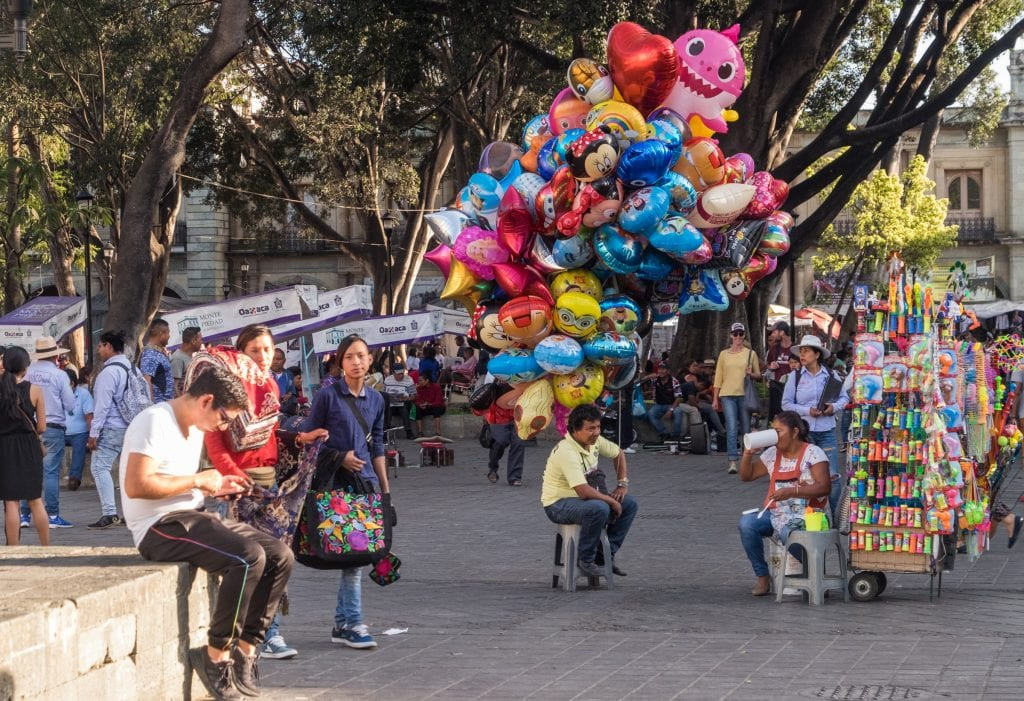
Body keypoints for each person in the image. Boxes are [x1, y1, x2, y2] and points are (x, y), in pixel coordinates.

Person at [121, 366, 292, 700]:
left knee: (280, 556)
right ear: (207, 401)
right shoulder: (153, 421)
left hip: (192, 514)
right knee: (247, 558)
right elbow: (136, 484)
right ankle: (216, 656)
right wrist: (200, 480)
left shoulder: (195, 427)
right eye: (226, 419)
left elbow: (182, 482)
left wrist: (216, 486)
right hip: (158, 526)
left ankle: (247, 649)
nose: (224, 427)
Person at [202, 324, 324, 661]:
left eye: (268, 350)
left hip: (268, 483)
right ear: (241, 354)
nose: (263, 356)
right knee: (254, 559)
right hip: (242, 487)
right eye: (255, 350)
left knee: (275, 558)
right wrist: (236, 478)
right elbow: (215, 440)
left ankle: (262, 632)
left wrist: (298, 439)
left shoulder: (269, 386)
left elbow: (269, 435)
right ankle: (259, 634)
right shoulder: (228, 390)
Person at [301, 334, 391, 650]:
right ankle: (351, 622)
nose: (356, 362)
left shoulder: (377, 400)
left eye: (361, 356)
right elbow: (309, 436)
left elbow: (378, 443)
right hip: (334, 485)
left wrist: (385, 488)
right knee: (351, 553)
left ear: (370, 360)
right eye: (349, 356)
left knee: (358, 554)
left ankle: (347, 622)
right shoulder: (328, 396)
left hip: (365, 485)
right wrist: (340, 456)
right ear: (340, 362)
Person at [737, 411, 831, 596]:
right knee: (747, 524)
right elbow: (746, 476)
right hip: (776, 513)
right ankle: (762, 576)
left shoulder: (813, 452)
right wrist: (748, 455)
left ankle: (816, 575)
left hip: (808, 515)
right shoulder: (773, 453)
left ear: (795, 432)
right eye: (773, 430)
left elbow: (824, 487)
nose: (775, 435)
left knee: (790, 533)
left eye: (779, 431)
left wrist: (791, 491)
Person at [541, 404, 638, 579]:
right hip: (558, 504)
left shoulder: (594, 441)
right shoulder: (566, 451)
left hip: (586, 500)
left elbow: (619, 453)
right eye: (590, 428)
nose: (596, 432)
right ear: (575, 430)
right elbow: (583, 491)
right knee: (598, 508)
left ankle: (604, 556)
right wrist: (611, 501)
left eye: (598, 427)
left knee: (629, 504)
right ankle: (585, 559)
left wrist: (622, 485)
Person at [781, 335, 848, 515]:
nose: (802, 355)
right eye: (801, 351)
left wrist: (832, 407)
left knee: (832, 476)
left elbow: (844, 398)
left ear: (817, 354)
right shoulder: (794, 377)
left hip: (826, 430)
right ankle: (803, 517)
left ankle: (837, 519)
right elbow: (786, 404)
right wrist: (806, 410)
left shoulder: (831, 375)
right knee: (803, 476)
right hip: (804, 433)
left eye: (806, 351)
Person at [22, 336, 76, 528]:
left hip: (28, 427)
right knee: (51, 472)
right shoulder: (60, 375)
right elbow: (70, 404)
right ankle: (52, 516)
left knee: (29, 471)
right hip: (53, 427)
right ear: (55, 356)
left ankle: (24, 516)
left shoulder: (27, 373)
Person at [1, 346, 49, 546]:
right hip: (29, 447)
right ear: (25, 367)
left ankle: (13, 549)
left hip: (4, 447)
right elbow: (42, 427)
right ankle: (46, 546)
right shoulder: (35, 389)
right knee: (35, 500)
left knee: (11, 501)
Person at [86, 331, 134, 529]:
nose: (98, 349)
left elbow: (102, 407)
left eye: (100, 346)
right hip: (131, 425)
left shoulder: (108, 373)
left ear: (109, 347)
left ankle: (109, 512)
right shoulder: (131, 368)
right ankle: (131, 513)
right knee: (127, 471)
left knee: (99, 467)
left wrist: (94, 433)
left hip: (112, 426)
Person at [712, 322, 762, 474]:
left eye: (741, 334)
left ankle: (746, 461)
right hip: (727, 394)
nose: (738, 337)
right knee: (732, 427)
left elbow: (758, 375)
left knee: (746, 429)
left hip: (744, 395)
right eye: (735, 334)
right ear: (731, 336)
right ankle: (732, 461)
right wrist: (715, 398)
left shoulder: (750, 354)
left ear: (744, 335)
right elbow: (718, 378)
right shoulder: (723, 354)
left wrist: (750, 373)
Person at [485, 382, 525, 485]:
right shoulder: (496, 373)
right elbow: (486, 391)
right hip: (499, 417)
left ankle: (514, 477)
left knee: (519, 443)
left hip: (517, 415)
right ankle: (493, 468)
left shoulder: (523, 372)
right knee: (500, 441)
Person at [64, 367, 94, 492]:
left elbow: (89, 417)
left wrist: (91, 435)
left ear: (72, 383)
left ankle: (74, 478)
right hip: (61, 431)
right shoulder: (58, 393)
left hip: (79, 432)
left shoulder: (83, 394)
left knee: (79, 449)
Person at [643, 364, 688, 442]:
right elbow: (643, 380)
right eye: (659, 369)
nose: (661, 371)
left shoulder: (674, 381)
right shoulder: (655, 380)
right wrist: (651, 376)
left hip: (672, 404)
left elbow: (679, 398)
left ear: (668, 371)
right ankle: (664, 433)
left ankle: (676, 436)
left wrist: (670, 410)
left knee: (678, 412)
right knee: (650, 414)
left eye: (663, 369)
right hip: (659, 404)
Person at [139, 319, 174, 403]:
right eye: (168, 333)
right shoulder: (150, 354)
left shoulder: (157, 352)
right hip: (159, 407)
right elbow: (146, 381)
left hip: (165, 405)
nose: (169, 336)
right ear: (161, 334)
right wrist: (152, 406)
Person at [763, 321, 792, 421]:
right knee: (777, 418)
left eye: (774, 332)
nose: (772, 335)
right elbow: (767, 366)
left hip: (792, 388)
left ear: (782, 332)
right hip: (777, 388)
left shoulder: (795, 349)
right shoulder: (774, 349)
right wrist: (770, 367)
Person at [382, 362, 416, 440]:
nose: (400, 375)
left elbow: (414, 396)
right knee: (388, 409)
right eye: (398, 374)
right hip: (391, 404)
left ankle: (408, 432)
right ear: (393, 373)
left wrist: (407, 398)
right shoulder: (387, 380)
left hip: (404, 403)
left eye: (402, 373)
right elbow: (383, 394)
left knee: (403, 408)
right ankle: (384, 433)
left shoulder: (409, 380)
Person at [171, 326, 203, 396]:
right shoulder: (178, 359)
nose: (201, 342)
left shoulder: (190, 356)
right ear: (193, 341)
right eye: (200, 339)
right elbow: (173, 387)